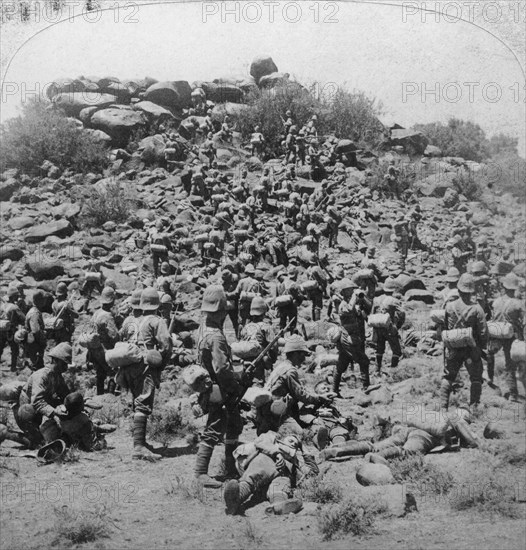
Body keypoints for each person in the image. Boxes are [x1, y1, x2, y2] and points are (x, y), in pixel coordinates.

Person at [194, 285, 243, 487]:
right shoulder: (216, 337)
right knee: (214, 427)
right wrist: (235, 387)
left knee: (233, 424)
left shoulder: (202, 330)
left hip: (210, 386)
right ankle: (200, 473)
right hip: (219, 389)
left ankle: (230, 468)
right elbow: (222, 369)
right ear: (221, 312)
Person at [116, 287, 172, 461]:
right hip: (145, 366)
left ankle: (139, 442)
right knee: (143, 402)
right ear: (157, 304)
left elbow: (120, 338)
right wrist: (161, 363)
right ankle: (139, 447)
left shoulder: (129, 320)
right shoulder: (156, 321)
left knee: (136, 401)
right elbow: (166, 344)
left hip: (128, 364)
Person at [224, 432, 316, 515]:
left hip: (280, 476)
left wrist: (303, 448)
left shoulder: (295, 459)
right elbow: (259, 442)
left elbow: (313, 472)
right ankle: (236, 498)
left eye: (296, 444)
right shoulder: (273, 439)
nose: (293, 444)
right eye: (291, 440)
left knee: (281, 485)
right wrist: (277, 453)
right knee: (253, 476)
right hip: (264, 463)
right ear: (283, 438)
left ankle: (278, 505)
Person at [257, 335, 332, 435]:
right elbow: (301, 395)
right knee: (299, 434)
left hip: (266, 408)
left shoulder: (282, 366)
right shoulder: (290, 370)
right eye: (303, 354)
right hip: (274, 410)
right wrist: (319, 398)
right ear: (296, 353)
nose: (304, 358)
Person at [440, 274, 488, 411]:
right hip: (471, 350)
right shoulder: (477, 309)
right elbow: (483, 333)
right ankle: (473, 407)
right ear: (472, 291)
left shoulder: (449, 306)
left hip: (453, 348)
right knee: (476, 377)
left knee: (449, 376)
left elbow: (444, 327)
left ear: (459, 290)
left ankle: (443, 408)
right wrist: (481, 347)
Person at [14, 343, 72, 448]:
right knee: (38, 443)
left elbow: (66, 395)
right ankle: (7, 434)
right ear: (55, 360)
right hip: (27, 413)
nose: (66, 367)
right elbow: (37, 402)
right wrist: (54, 413)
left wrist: (78, 404)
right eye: (64, 364)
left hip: (39, 411)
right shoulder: (41, 376)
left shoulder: (57, 377)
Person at [486, 273, 524, 398]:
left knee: (490, 356)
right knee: (510, 364)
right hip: (511, 336)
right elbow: (523, 323)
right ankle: (513, 393)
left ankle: (489, 381)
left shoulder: (496, 302)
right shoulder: (518, 304)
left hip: (496, 333)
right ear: (515, 287)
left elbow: (493, 318)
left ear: (504, 286)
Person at [331, 278, 371, 394]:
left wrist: (362, 299)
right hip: (347, 338)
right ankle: (366, 388)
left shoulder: (353, 304)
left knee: (342, 363)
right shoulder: (342, 304)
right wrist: (354, 298)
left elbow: (368, 309)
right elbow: (348, 310)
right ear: (343, 292)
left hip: (353, 338)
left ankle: (334, 390)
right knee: (364, 361)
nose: (352, 292)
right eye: (349, 290)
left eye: (352, 290)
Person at [239, 297, 277, 387]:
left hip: (245, 361)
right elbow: (274, 346)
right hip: (258, 361)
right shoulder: (266, 327)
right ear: (264, 312)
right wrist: (272, 360)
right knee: (258, 385)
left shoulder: (246, 327)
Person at [89, 287, 119, 395]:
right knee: (113, 372)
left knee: (100, 373)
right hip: (105, 350)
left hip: (94, 348)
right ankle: (110, 397)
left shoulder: (96, 313)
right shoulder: (107, 316)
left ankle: (99, 395)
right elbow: (114, 335)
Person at [372, 278, 405, 375]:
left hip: (378, 327)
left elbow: (372, 313)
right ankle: (393, 372)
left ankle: (377, 370)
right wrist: (398, 325)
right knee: (396, 350)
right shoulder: (394, 300)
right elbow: (402, 313)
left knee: (379, 349)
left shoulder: (376, 299)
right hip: (389, 328)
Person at [0, 286, 25, 372]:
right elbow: (23, 319)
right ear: (13, 296)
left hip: (1, 331)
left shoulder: (2, 306)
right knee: (14, 350)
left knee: (0, 348)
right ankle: (13, 367)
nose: (18, 297)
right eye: (16, 295)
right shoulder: (14, 307)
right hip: (11, 331)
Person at [275, 267, 304, 335]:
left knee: (282, 324)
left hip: (282, 307)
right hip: (291, 307)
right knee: (293, 324)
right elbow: (299, 296)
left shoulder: (280, 284)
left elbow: (278, 296)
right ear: (295, 275)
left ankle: (280, 339)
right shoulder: (294, 284)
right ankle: (293, 339)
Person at [24, 290, 47, 371]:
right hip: (35, 346)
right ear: (38, 300)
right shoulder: (35, 313)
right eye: (43, 299)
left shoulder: (34, 311)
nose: (45, 301)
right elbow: (35, 331)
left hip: (33, 345)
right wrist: (42, 341)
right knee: (38, 368)